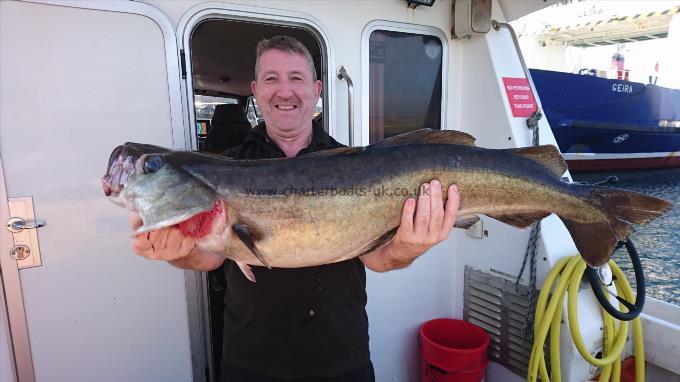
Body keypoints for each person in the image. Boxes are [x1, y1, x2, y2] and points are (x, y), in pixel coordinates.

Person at [129, 36, 459, 382]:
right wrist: (178, 253)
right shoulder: (226, 168)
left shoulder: (352, 164)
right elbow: (210, 257)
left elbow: (379, 259)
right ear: (256, 90)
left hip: (342, 360)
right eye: (272, 79)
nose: (284, 91)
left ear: (317, 90)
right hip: (248, 362)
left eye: (296, 78)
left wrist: (408, 248)